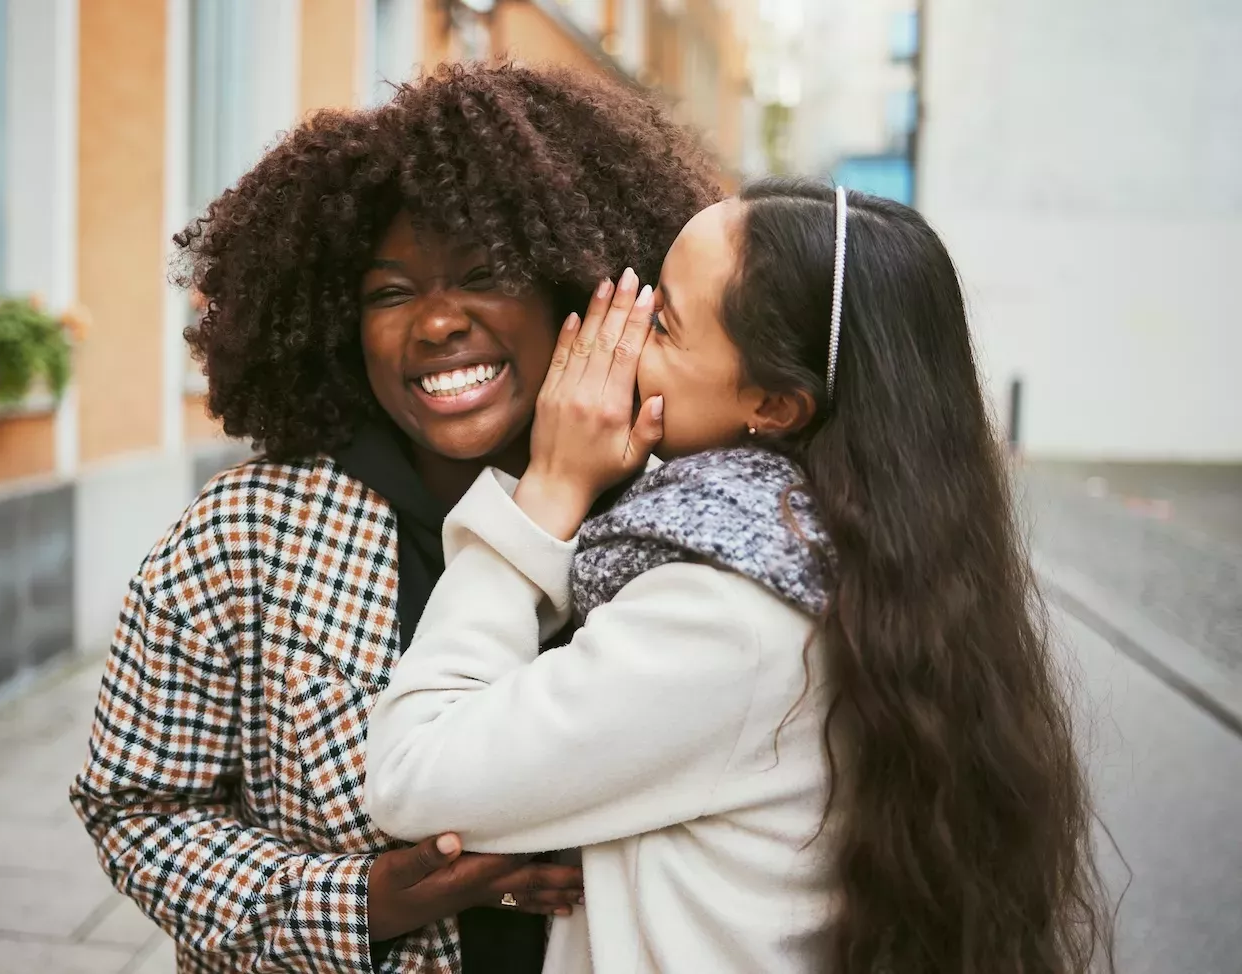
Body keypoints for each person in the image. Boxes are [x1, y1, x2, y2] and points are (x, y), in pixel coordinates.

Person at [365, 178, 1115, 973]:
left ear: (775, 406)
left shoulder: (725, 615)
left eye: (661, 324)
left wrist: (546, 492)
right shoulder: (852, 554)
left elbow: (416, 774)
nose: (620, 345)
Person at [68, 63, 717, 974]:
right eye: (390, 292)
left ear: (574, 289)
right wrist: (367, 902)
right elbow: (137, 810)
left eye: (485, 274)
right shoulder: (243, 535)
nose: (438, 323)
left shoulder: (683, 526)